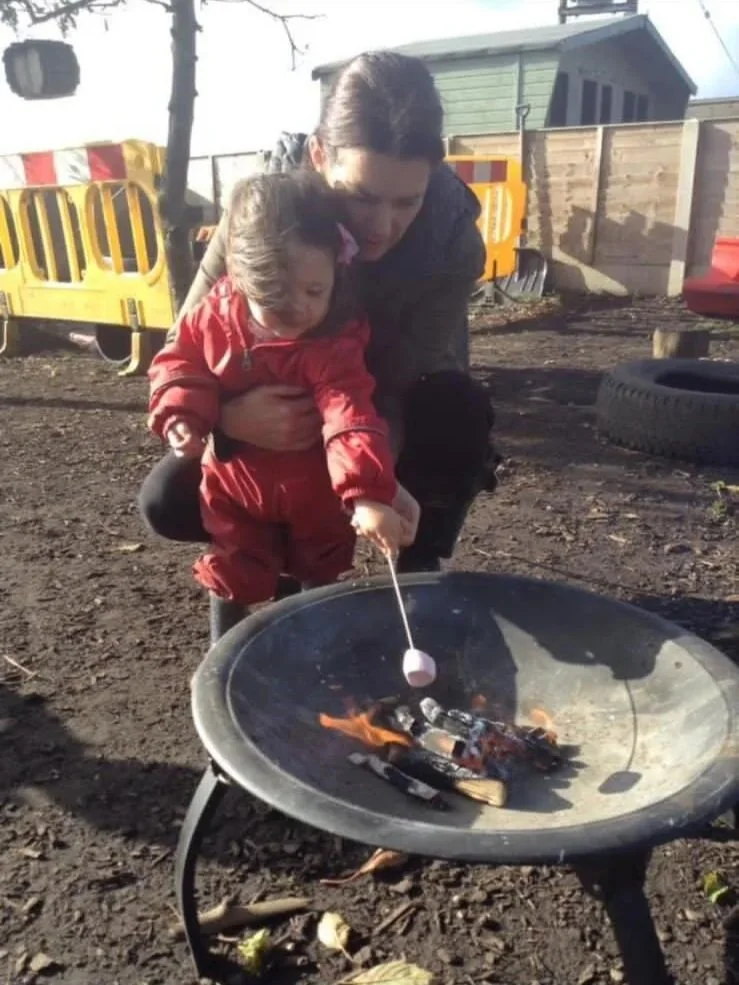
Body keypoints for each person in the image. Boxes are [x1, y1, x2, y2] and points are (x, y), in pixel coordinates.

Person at [139, 50, 498, 630]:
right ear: (318, 157)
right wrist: (229, 420)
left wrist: (375, 484)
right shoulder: (261, 212)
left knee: (457, 412)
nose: (381, 227)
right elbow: (192, 333)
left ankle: (418, 567)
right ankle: (265, 563)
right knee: (166, 500)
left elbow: (402, 380)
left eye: (407, 201)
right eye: (361, 196)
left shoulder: (450, 240)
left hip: (368, 403)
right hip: (259, 406)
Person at [148, 171, 420, 641]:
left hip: (313, 486)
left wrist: (367, 492)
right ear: (239, 279)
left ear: (337, 268)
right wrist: (184, 414)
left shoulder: (334, 338)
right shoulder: (212, 319)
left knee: (318, 560)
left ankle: (307, 644)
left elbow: (349, 414)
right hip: (236, 483)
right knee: (233, 561)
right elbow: (181, 363)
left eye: (315, 291)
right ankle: (222, 652)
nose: (299, 310)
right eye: (274, 299)